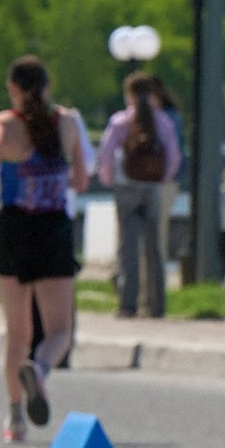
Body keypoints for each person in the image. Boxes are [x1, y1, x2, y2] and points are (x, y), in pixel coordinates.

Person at [0, 55, 91, 439]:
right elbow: (81, 180)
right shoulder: (67, 123)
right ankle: (39, 369)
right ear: (48, 86)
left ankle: (15, 419)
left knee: (17, 332)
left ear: (12, 89)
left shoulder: (1, 124)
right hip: (52, 228)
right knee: (59, 331)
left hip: (12, 228)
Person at [95, 72, 180, 318]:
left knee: (128, 247)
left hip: (126, 187)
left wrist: (108, 180)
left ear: (129, 95)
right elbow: (173, 156)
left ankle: (128, 304)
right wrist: (162, 179)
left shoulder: (121, 122)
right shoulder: (163, 121)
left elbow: (106, 155)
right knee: (154, 248)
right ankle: (157, 305)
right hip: (153, 188)